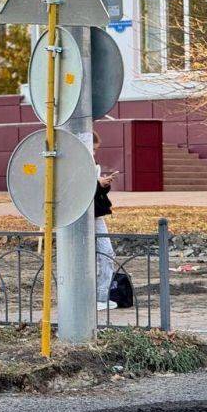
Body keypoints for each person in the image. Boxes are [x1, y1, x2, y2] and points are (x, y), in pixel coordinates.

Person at [93, 132, 117, 312]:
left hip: (94, 214)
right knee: (105, 254)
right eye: (92, 149)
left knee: (106, 254)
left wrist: (103, 185)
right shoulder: (77, 162)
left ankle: (101, 297)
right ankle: (99, 297)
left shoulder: (89, 163)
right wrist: (97, 184)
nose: (94, 154)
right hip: (87, 216)